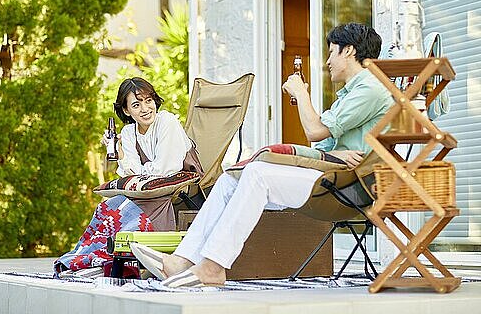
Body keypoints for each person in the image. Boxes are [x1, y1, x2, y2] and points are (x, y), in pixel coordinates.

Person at [131, 23, 394, 287]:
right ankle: (182, 261)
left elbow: (315, 131)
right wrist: (336, 152)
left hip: (349, 186)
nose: (327, 61)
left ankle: (213, 267)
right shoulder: (353, 93)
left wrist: (301, 93)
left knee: (257, 174)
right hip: (333, 176)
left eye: (331, 52)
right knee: (229, 180)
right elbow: (324, 147)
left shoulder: (370, 88)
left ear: (349, 51)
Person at [54, 77, 201, 275]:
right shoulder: (129, 132)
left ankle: (104, 259)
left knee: (125, 212)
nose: (145, 108)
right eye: (136, 104)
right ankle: (82, 257)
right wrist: (120, 153)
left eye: (148, 101)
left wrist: (141, 172)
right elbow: (130, 174)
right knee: (109, 206)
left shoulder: (167, 122)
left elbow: (164, 170)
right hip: (147, 190)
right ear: (126, 111)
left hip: (174, 186)